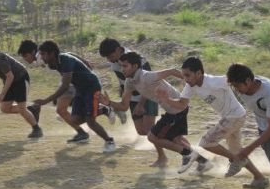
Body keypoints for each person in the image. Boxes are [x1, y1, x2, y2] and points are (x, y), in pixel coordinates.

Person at [156, 56, 268, 186]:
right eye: (183, 75)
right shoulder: (190, 86)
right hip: (232, 117)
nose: (185, 79)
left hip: (235, 116)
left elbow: (238, 80)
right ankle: (260, 178)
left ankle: (236, 160)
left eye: (188, 75)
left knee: (206, 142)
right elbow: (182, 104)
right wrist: (166, 99)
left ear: (199, 73)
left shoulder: (215, 81)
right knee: (237, 151)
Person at [100, 52, 211, 171]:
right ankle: (204, 162)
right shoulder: (130, 82)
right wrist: (108, 103)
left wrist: (192, 83)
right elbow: (123, 106)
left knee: (153, 137)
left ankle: (187, 154)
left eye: (125, 66)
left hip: (178, 108)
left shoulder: (146, 76)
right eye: (121, 66)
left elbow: (172, 71)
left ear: (135, 66)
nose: (122, 69)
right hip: (171, 111)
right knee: (176, 140)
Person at [18, 40, 110, 143]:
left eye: (25, 56)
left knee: (79, 117)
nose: (25, 59)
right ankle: (100, 112)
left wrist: (46, 100)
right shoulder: (51, 60)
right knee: (73, 118)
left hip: (83, 85)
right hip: (77, 86)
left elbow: (65, 82)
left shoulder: (57, 59)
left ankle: (106, 140)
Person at [99, 38, 165, 167]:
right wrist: (122, 98)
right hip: (133, 98)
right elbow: (124, 83)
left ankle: (163, 156)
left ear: (118, 50)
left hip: (149, 95)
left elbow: (150, 84)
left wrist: (141, 104)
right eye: (106, 57)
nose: (109, 60)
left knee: (150, 130)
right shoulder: (115, 63)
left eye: (110, 56)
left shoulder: (138, 60)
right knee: (141, 131)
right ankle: (169, 136)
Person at [0, 38, 42, 138]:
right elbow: (6, 77)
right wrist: (3, 92)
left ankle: (37, 129)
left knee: (22, 109)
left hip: (20, 79)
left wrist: (2, 94)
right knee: (5, 108)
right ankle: (32, 109)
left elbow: (10, 76)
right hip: (11, 81)